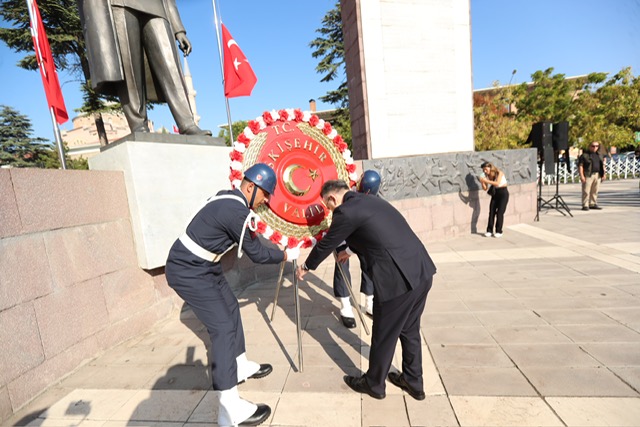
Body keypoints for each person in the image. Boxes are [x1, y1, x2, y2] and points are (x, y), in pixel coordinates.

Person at [165, 163, 299, 426]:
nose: (266, 200)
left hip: (205, 266)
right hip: (187, 270)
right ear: (251, 186)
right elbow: (258, 255)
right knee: (223, 328)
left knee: (230, 306)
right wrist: (284, 254)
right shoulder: (236, 211)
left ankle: (239, 364)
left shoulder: (230, 199)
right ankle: (229, 409)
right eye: (265, 194)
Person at [297, 180, 436, 401]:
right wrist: (350, 250)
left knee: (384, 333)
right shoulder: (369, 201)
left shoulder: (346, 211)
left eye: (328, 206)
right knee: (409, 330)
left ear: (332, 198)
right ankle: (413, 381)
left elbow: (327, 243)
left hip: (397, 281)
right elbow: (375, 233)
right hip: (421, 270)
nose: (331, 211)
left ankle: (374, 384)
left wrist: (306, 266)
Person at [76, 0, 211, 135]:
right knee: (129, 68)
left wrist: (178, 28)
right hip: (119, 4)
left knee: (171, 65)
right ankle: (138, 125)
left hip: (157, 6)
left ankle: (187, 123)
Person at [332, 170, 380, 328]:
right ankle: (345, 306)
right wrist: (346, 251)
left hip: (362, 237)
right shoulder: (348, 195)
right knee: (342, 262)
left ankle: (369, 302)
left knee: (369, 262)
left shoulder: (374, 200)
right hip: (345, 235)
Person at [478, 162, 509, 238]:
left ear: (490, 167)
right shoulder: (487, 176)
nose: (485, 171)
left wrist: (485, 181)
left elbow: (497, 183)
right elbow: (485, 188)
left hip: (503, 193)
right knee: (491, 212)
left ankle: (499, 231)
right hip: (495, 193)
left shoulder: (499, 172)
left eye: (486, 169)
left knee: (500, 212)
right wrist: (482, 182)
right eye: (483, 170)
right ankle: (489, 230)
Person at [578, 141, 606, 211]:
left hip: (598, 174)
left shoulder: (599, 155)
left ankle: (593, 203)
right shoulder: (585, 155)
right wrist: (582, 175)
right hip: (588, 174)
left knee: (595, 190)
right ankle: (585, 205)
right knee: (586, 191)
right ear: (589, 146)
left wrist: (604, 174)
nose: (595, 148)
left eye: (597, 146)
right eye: (593, 146)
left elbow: (602, 165)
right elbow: (580, 166)